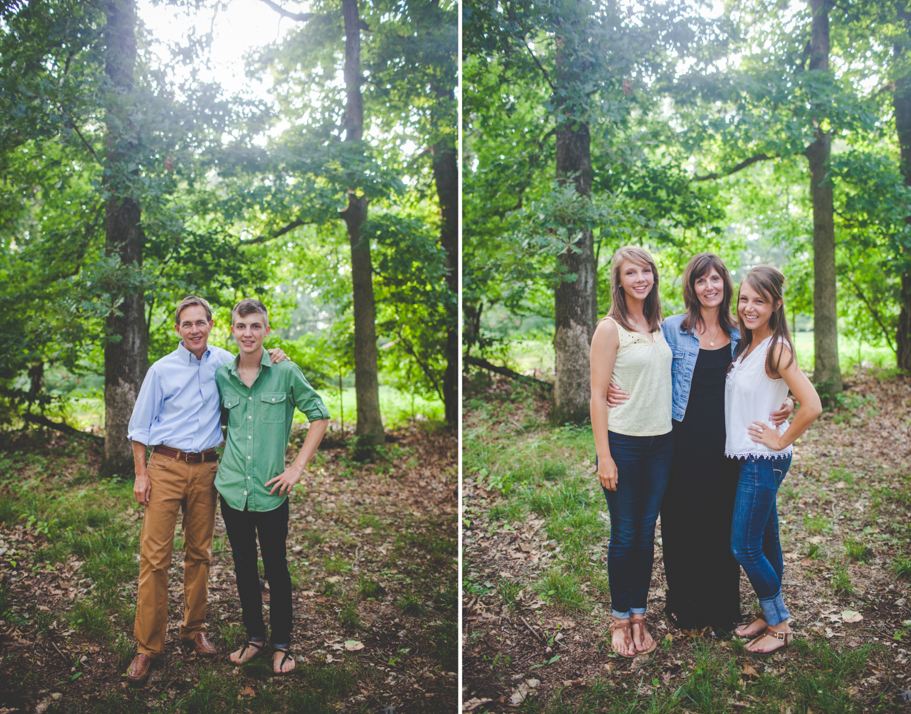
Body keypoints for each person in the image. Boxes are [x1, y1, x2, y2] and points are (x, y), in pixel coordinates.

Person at [610, 254, 792, 633]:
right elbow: (637, 357)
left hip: (728, 444)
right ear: (691, 288)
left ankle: (722, 607)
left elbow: (770, 372)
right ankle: (684, 603)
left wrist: (787, 400)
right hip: (680, 442)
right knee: (680, 520)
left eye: (715, 279)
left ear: (725, 283)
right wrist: (611, 386)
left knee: (723, 521)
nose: (710, 287)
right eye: (700, 280)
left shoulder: (742, 331)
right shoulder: (672, 328)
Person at [126, 296, 287, 685]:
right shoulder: (161, 370)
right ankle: (147, 647)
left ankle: (193, 629)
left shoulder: (225, 364)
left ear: (212, 325)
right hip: (165, 466)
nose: (195, 329)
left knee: (199, 554)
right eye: (187, 323)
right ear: (177, 329)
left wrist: (277, 356)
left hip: (208, 469)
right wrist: (141, 474)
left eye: (201, 322)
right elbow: (139, 427)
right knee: (155, 558)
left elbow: (256, 368)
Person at [216, 298, 329, 674]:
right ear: (232, 330)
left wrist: (297, 468)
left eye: (255, 326)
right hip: (232, 490)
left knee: (276, 569)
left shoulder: (285, 371)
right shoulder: (222, 375)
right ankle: (254, 638)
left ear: (266, 330)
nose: (248, 333)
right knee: (244, 567)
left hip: (271, 491)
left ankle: (282, 644)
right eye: (241, 326)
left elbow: (319, 416)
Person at [725, 266, 822, 654]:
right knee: (766, 541)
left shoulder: (777, 348)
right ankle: (768, 615)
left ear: (776, 305)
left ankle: (779, 623)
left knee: (744, 547)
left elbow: (812, 404)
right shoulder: (748, 344)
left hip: (763, 459)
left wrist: (780, 438)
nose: (749, 308)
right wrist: (783, 402)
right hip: (749, 457)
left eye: (759, 301)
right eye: (744, 299)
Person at [590, 246, 673, 658]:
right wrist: (604, 456)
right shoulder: (610, 328)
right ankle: (619, 619)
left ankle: (639, 614)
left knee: (645, 533)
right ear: (619, 281)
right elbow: (596, 394)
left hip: (662, 444)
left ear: (653, 276)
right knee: (624, 535)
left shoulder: (660, 324)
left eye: (646, 271)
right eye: (631, 272)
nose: (640, 278)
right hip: (623, 442)